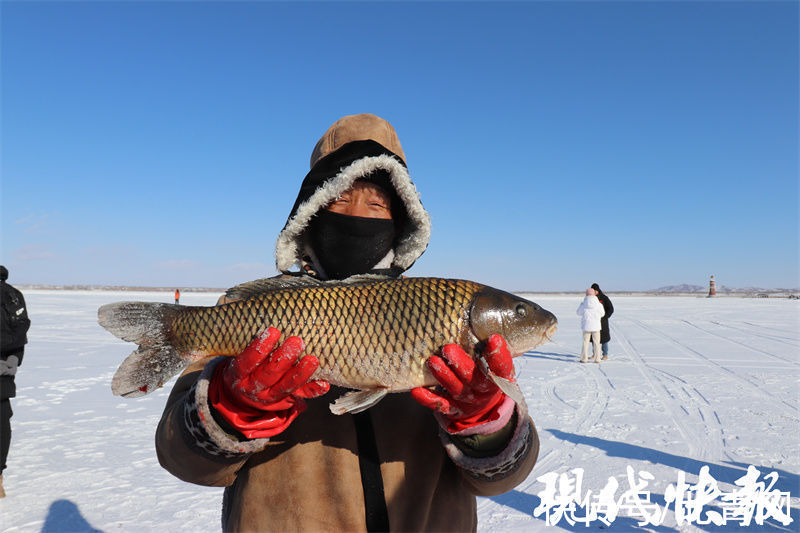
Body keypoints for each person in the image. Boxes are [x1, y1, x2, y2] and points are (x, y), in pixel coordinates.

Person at [155, 113, 539, 532]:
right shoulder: (247, 309)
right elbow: (182, 459)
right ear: (311, 211)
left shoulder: (435, 309)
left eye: (376, 204)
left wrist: (486, 423)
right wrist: (229, 408)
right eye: (339, 199)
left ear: (400, 220)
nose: (357, 214)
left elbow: (503, 479)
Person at [0, 265, 31, 498]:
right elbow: (19, 338)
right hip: (4, 373)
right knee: (1, 423)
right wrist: (13, 361)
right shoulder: (13, 295)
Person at [576, 287, 604, 363]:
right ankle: (597, 359)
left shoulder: (584, 304)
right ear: (594, 294)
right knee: (596, 343)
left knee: (585, 343)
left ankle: (584, 359)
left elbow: (578, 313)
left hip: (586, 326)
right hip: (596, 326)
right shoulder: (598, 304)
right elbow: (602, 314)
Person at [591, 283, 614, 360]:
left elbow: (610, 309)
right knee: (594, 339)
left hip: (603, 322)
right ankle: (594, 354)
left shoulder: (604, 298)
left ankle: (605, 354)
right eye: (593, 291)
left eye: (595, 290)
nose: (594, 292)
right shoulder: (590, 298)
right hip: (593, 322)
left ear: (598, 290)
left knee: (604, 339)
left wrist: (605, 317)